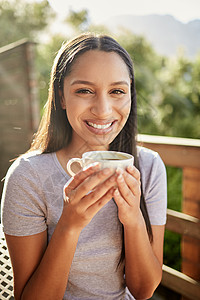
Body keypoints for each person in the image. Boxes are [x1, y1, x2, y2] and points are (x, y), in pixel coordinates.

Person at [1, 32, 167, 300]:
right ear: (62, 96)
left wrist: (133, 218)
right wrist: (70, 224)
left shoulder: (148, 167)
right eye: (85, 91)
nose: (103, 110)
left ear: (130, 96)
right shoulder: (28, 177)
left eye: (117, 91)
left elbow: (144, 290)